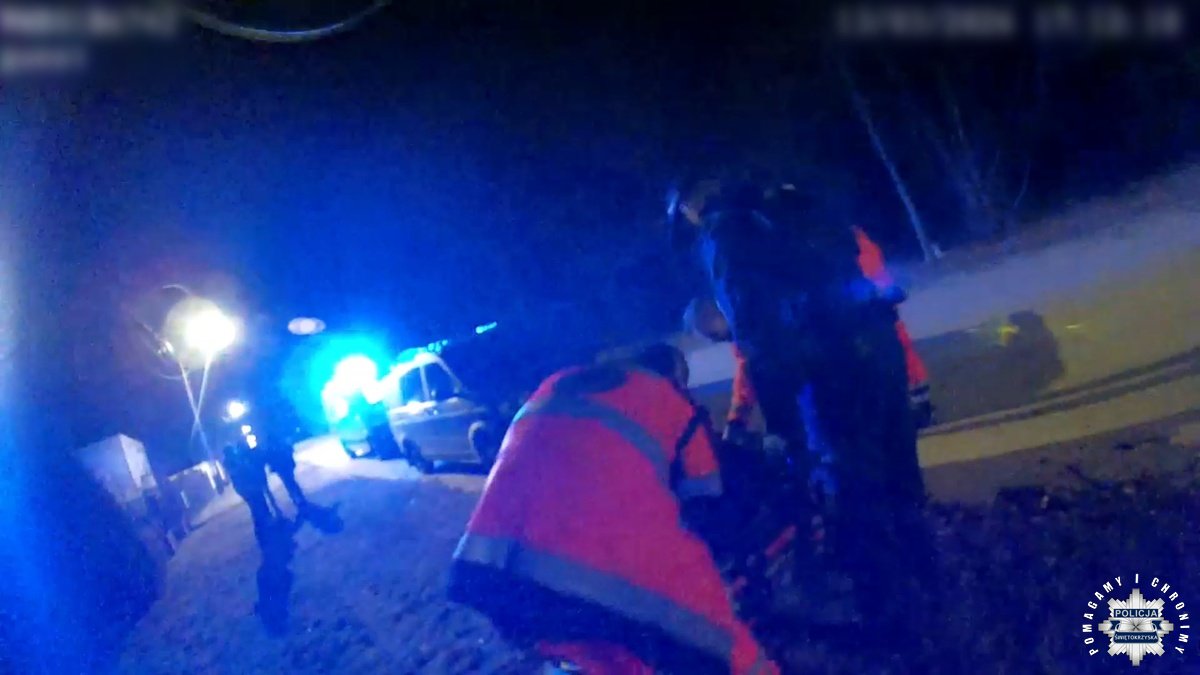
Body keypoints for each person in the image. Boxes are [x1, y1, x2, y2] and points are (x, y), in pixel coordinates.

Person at [668, 172, 933, 658]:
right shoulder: (786, 204)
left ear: (690, 207)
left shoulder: (727, 235)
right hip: (879, 350)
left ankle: (892, 628)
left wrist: (785, 432)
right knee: (899, 477)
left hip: (833, 372)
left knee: (854, 495)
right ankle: (931, 585)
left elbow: (760, 341)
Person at [447, 344, 778, 675]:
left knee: (605, 652)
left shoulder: (558, 383)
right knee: (719, 640)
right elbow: (706, 499)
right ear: (672, 377)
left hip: (491, 575)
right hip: (599, 567)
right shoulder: (668, 399)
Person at [222, 441, 278, 544]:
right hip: (246, 487)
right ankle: (263, 526)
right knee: (256, 505)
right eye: (231, 450)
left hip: (247, 486)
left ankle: (264, 524)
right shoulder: (231, 462)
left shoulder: (234, 460)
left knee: (257, 505)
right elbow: (238, 472)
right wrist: (244, 466)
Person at [262, 433, 308, 511]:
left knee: (289, 483)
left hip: (281, 467)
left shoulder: (270, 448)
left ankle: (297, 498)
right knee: (291, 482)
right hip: (285, 466)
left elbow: (268, 459)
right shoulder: (279, 444)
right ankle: (298, 498)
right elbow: (290, 450)